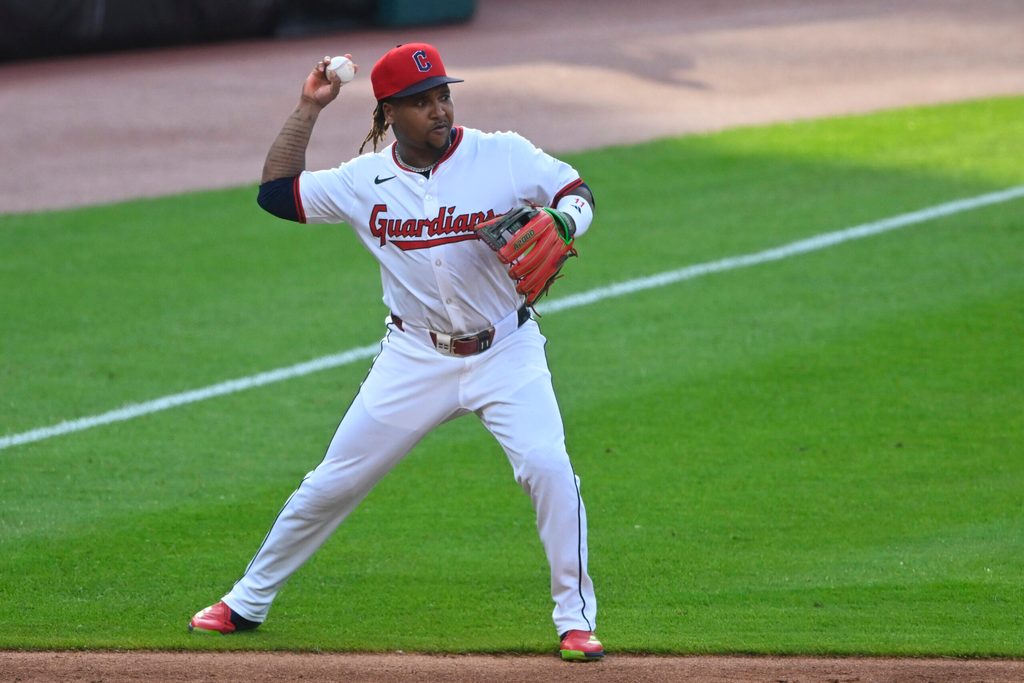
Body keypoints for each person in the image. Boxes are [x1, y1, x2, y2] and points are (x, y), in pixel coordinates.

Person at [188, 42, 603, 661]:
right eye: (420, 102)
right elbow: (276, 192)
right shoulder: (363, 181)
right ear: (387, 113)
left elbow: (576, 188)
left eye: (442, 95)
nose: (438, 110)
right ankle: (247, 600)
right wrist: (309, 106)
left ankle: (573, 620)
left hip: (506, 350)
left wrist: (566, 222)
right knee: (332, 482)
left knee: (547, 468)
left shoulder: (502, 153)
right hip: (415, 359)